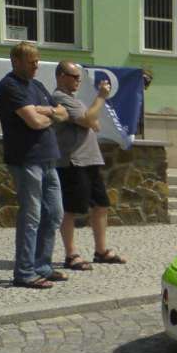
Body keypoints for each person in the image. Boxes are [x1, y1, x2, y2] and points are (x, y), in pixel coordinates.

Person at [0, 41, 69, 289]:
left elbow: (64, 113)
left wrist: (43, 111)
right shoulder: (9, 86)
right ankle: (25, 272)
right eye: (31, 62)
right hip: (26, 160)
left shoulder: (36, 86)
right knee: (31, 216)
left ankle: (42, 266)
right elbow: (34, 122)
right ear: (16, 62)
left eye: (37, 61)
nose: (36, 65)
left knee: (54, 213)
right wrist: (50, 114)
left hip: (48, 159)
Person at [53, 61, 126, 269]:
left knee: (101, 204)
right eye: (74, 76)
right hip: (73, 160)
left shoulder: (74, 101)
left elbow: (95, 123)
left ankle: (101, 251)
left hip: (90, 159)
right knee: (70, 208)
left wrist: (89, 117)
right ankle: (71, 255)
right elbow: (88, 121)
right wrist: (101, 97)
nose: (78, 80)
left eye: (79, 77)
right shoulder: (59, 98)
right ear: (61, 76)